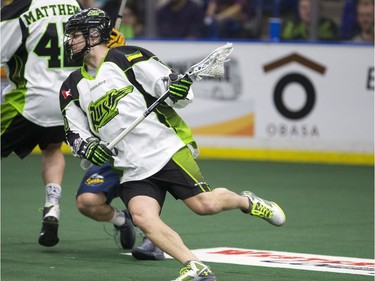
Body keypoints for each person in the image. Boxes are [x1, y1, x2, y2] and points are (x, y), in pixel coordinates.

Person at [60, 8, 286, 280]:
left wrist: (177, 89)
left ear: (94, 34)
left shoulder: (129, 57)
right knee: (143, 218)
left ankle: (244, 201)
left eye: (74, 35)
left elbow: (173, 90)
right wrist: (87, 147)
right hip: (129, 166)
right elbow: (74, 132)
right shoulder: (71, 87)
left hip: (164, 150)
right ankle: (195, 267)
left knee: (205, 205)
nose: (70, 41)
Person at [0, 0, 135, 252]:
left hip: (28, 101)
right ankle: (52, 205)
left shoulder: (21, 7)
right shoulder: (75, 5)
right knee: (52, 148)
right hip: (70, 98)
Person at [78, 162, 165, 260]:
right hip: (110, 155)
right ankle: (122, 220)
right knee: (88, 201)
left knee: (143, 191)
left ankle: (152, 238)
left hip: (141, 156)